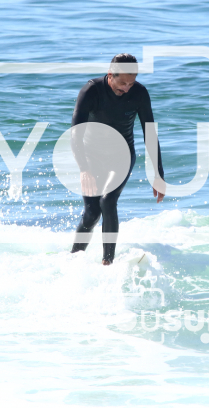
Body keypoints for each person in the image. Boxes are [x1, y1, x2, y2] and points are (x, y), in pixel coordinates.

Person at [70, 54, 165, 265]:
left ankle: (107, 263)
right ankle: (73, 259)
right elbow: (75, 134)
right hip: (92, 156)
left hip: (122, 155)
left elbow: (149, 133)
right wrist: (84, 169)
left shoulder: (140, 93)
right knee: (91, 214)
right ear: (110, 75)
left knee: (108, 201)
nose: (127, 88)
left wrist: (158, 174)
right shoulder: (91, 91)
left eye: (131, 83)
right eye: (123, 83)